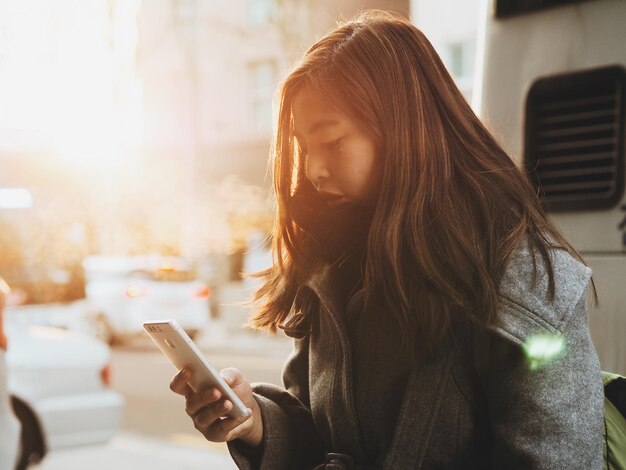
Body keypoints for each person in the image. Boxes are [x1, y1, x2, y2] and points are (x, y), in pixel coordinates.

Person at [170, 10, 604, 469]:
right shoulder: (333, 268)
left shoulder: (526, 285)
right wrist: (256, 423)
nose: (313, 170)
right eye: (306, 148)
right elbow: (322, 437)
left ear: (405, 132)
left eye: (332, 143)